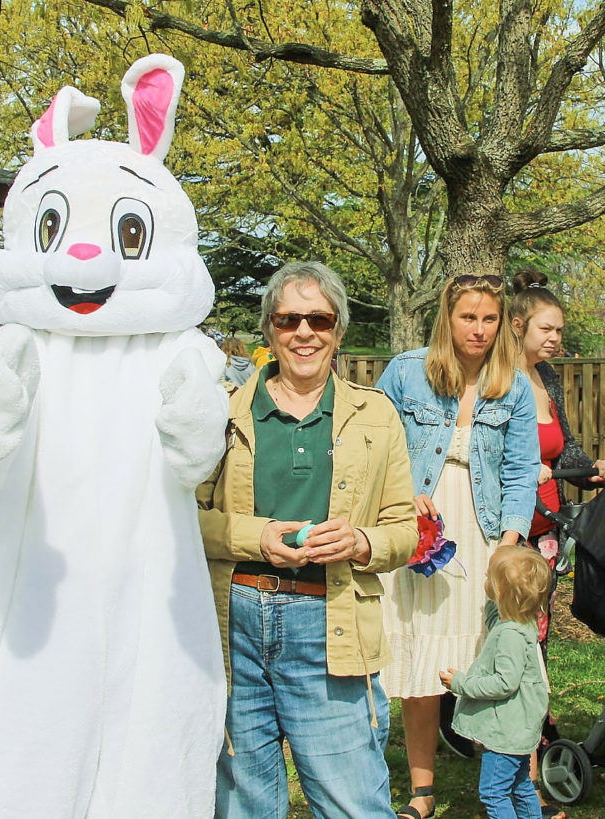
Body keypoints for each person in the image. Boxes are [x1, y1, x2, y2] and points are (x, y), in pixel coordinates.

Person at [197, 261, 417, 819]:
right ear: (270, 329)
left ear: (338, 330)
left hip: (331, 624)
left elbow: (404, 531)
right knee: (241, 802)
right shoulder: (220, 413)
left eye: (318, 320)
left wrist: (361, 542)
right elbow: (183, 519)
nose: (304, 333)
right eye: (289, 319)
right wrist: (256, 537)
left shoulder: (377, 414)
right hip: (236, 626)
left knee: (353, 803)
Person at [376, 274, 540, 819]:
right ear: (447, 318)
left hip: (485, 530)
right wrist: (403, 497)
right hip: (419, 528)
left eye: (489, 318)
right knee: (421, 663)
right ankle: (421, 792)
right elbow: (375, 447)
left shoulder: (513, 385)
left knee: (498, 656)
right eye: (468, 317)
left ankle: (517, 787)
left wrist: (510, 542)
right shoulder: (405, 371)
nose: (479, 329)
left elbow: (519, 471)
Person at [508, 269, 605, 818]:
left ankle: (535, 725)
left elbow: (565, 451)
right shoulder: (497, 378)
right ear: (518, 325)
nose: (556, 339)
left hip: (546, 528)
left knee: (537, 634)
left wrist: (593, 471)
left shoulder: (547, 378)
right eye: (546, 329)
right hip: (504, 528)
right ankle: (502, 729)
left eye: (560, 330)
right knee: (504, 634)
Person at [439, 545, 551, 819]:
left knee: (493, 792)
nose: (484, 581)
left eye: (489, 577)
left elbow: (504, 683)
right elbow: (495, 617)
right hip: (520, 728)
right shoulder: (522, 622)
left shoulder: (509, 635)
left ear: (500, 592)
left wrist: (460, 684)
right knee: (521, 785)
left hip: (506, 734)